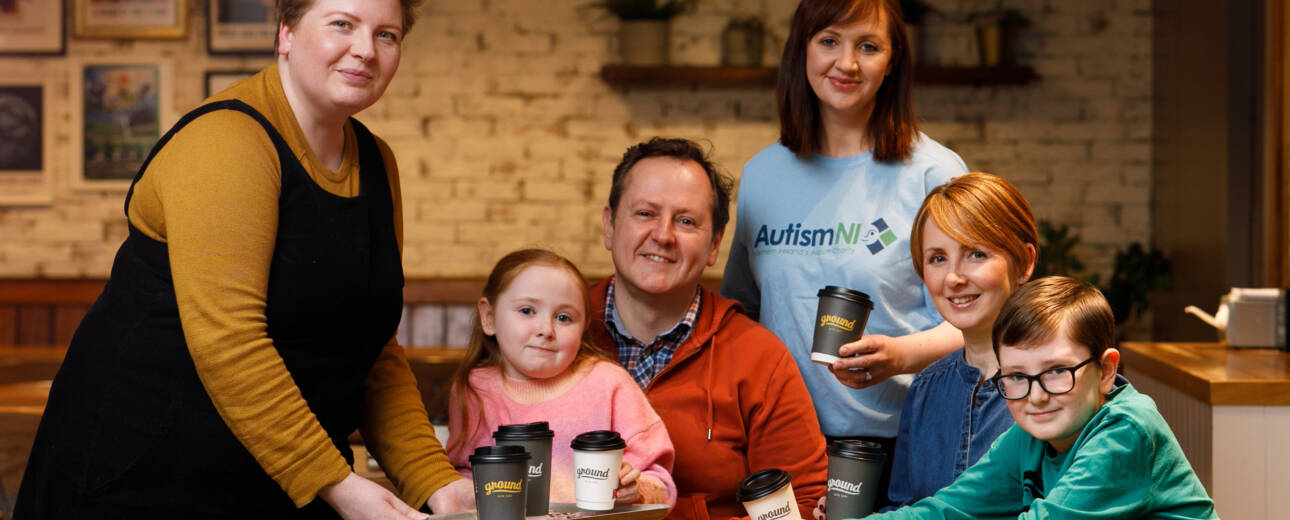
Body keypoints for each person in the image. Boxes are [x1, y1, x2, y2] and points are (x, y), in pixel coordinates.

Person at [15, 0, 473, 517]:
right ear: (286, 34)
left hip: (280, 470)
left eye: (386, 35)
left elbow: (372, 349)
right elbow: (229, 343)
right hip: (146, 471)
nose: (365, 50)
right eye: (342, 24)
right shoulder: (227, 141)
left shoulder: (376, 162)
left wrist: (437, 484)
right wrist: (341, 485)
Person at [720, 0, 970, 480]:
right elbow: (741, 312)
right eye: (829, 41)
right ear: (802, 51)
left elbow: (977, 319)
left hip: (909, 443)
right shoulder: (762, 175)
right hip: (782, 440)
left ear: (892, 60)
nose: (847, 63)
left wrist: (901, 355)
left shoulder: (933, 173)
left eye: (868, 46)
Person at [588, 137, 829, 520]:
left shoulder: (759, 358)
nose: (663, 236)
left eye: (686, 221)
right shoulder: (555, 332)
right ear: (609, 225)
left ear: (715, 244)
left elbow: (800, 501)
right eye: (645, 213)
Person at [865, 276, 1217, 519]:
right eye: (1017, 376)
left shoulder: (1126, 432)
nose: (1036, 396)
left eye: (1057, 371)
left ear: (1106, 371)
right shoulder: (1027, 438)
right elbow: (946, 511)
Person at [445, 248, 676, 507]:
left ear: (584, 327)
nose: (546, 330)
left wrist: (637, 490)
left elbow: (661, 484)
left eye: (564, 317)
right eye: (526, 311)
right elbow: (460, 474)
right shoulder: (475, 388)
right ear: (489, 317)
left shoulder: (609, 384)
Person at [883, 173, 1036, 508]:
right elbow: (902, 508)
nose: (953, 277)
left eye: (976, 254)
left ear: (1024, 262)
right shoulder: (925, 389)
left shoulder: (1057, 385)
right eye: (938, 258)